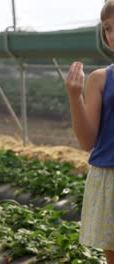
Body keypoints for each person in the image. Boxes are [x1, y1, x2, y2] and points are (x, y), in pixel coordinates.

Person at [64, 1, 114, 263]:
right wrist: (75, 97)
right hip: (110, 177)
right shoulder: (100, 79)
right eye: (108, 28)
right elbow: (87, 141)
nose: (112, 34)